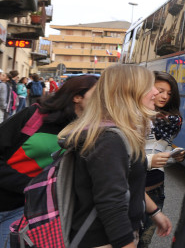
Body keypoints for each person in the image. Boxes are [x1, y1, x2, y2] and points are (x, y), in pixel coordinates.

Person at [58, 65, 171, 248]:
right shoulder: (109, 139)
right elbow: (112, 204)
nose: (155, 91)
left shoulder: (113, 133)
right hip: (103, 240)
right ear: (129, 92)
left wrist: (154, 212)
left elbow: (124, 183)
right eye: (149, 86)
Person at [0, 74, 98, 247]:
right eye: (98, 93)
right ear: (77, 97)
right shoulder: (35, 115)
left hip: (23, 208)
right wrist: (28, 184)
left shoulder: (87, 133)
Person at [139, 71, 183, 248]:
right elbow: (122, 157)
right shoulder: (133, 117)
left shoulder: (171, 120)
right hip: (134, 188)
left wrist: (175, 154)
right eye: (160, 90)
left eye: (169, 93)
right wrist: (150, 160)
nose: (164, 96)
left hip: (156, 188)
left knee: (143, 243)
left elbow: (162, 150)